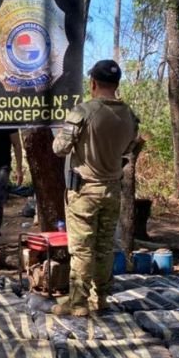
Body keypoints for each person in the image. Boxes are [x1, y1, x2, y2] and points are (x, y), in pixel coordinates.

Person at [52, 59, 140, 317]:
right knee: (104, 247)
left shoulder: (83, 112)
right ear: (116, 83)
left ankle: (78, 303)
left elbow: (59, 149)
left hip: (85, 192)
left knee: (82, 249)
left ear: (92, 83)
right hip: (112, 190)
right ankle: (99, 298)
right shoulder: (129, 116)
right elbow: (128, 151)